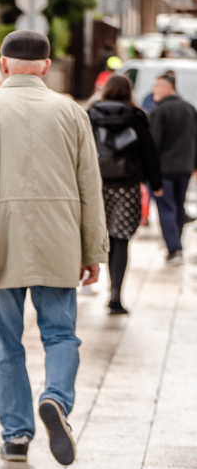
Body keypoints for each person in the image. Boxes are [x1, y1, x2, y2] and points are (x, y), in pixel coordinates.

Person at [0, 30, 108, 467]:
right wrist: (92, 250)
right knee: (61, 333)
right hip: (61, 239)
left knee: (5, 340)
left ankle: (16, 434)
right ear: (46, 67)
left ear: (3, 65)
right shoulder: (72, 112)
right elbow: (90, 185)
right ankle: (56, 397)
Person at [87, 75, 162, 313]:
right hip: (127, 185)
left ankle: (85, 284)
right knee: (121, 238)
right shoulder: (137, 116)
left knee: (100, 235)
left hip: (98, 184)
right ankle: (115, 295)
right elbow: (149, 152)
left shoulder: (91, 113)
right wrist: (155, 182)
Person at [148, 71, 197, 265]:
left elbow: (153, 143)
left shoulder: (159, 111)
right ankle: (177, 245)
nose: (154, 90)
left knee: (167, 208)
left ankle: (174, 249)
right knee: (178, 206)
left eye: (157, 86)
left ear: (167, 88)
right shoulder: (190, 109)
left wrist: (149, 171)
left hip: (164, 169)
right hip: (184, 167)